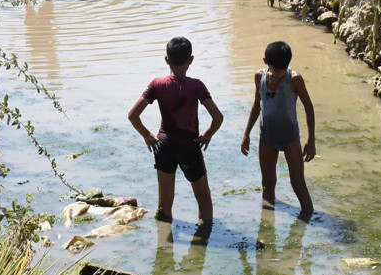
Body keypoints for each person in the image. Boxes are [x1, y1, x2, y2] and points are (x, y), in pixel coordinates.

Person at [128, 37, 224, 226]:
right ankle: (204, 239)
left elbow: (133, 115)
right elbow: (218, 117)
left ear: (166, 59)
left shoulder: (157, 84)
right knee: (203, 197)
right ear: (191, 60)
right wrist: (207, 135)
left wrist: (147, 136)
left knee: (164, 203)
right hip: (190, 145)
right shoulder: (196, 86)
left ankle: (164, 243)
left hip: (164, 145)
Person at [241, 41, 316, 217]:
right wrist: (246, 134)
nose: (280, 73)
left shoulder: (295, 79)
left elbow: (309, 107)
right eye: (276, 70)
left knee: (298, 183)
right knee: (267, 183)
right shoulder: (259, 76)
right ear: (265, 61)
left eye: (284, 69)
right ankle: (267, 226)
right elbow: (256, 105)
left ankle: (307, 219)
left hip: (290, 137)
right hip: (267, 136)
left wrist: (311, 140)